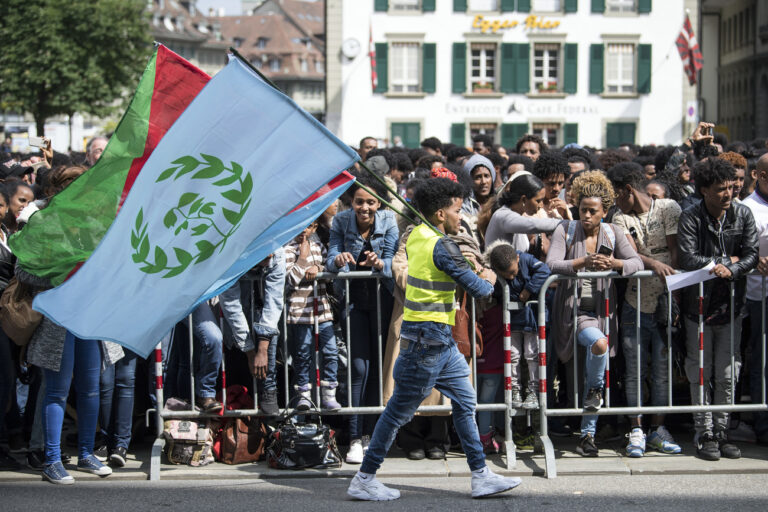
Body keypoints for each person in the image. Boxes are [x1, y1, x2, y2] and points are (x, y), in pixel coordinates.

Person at [346, 178, 521, 500]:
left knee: (465, 402)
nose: (461, 216)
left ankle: (480, 475)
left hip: (436, 339)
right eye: (457, 210)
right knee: (398, 412)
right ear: (440, 213)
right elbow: (482, 289)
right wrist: (492, 269)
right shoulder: (442, 245)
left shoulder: (416, 236)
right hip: (427, 341)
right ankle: (365, 477)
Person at [546, 171, 643, 457]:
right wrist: (582, 261)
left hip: (602, 313)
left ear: (605, 212)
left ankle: (587, 435)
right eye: (582, 209)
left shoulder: (612, 232)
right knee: (597, 350)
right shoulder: (565, 228)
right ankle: (591, 399)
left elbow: (636, 261)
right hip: (570, 312)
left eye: (592, 211)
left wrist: (614, 263)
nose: (585, 215)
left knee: (587, 378)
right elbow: (552, 263)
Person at [678, 158, 758, 461]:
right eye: (721, 189)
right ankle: (704, 432)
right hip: (697, 308)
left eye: (731, 188)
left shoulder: (743, 214)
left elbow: (750, 254)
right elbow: (687, 257)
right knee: (700, 372)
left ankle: (722, 431)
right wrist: (725, 263)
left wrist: (734, 268)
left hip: (732, 307)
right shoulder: (690, 217)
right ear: (704, 191)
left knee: (727, 373)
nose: (728, 194)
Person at [607, 162, 683, 457]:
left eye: (616, 194)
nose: (614, 201)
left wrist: (671, 279)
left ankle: (658, 430)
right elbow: (630, 253)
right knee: (634, 371)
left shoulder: (667, 207)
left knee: (662, 369)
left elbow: (675, 249)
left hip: (665, 302)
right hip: (633, 303)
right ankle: (636, 429)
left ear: (628, 189)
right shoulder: (619, 217)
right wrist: (655, 263)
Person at [327, 174, 398, 464]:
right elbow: (331, 254)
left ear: (379, 203)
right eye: (359, 201)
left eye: (371, 202)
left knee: (378, 370)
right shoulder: (341, 222)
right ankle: (355, 437)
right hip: (352, 301)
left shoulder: (389, 222)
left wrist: (382, 263)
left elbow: (395, 260)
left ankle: (371, 435)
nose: (365, 208)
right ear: (351, 202)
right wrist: (338, 260)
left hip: (383, 301)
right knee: (358, 368)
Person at [481, 240, 550, 416]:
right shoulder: (494, 272)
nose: (511, 278)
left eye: (513, 273)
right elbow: (495, 290)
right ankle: (515, 390)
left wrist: (528, 289)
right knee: (512, 356)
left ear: (517, 258)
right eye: (507, 276)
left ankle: (534, 391)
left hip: (532, 319)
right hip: (511, 321)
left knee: (532, 354)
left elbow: (545, 271)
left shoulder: (527, 260)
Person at [284, 220, 340, 411]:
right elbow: (291, 279)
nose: (303, 230)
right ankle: (303, 395)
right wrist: (303, 258)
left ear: (314, 227)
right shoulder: (288, 249)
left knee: (331, 350)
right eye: (299, 225)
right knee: (302, 354)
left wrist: (319, 270)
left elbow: (328, 270)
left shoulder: (317, 246)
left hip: (321, 310)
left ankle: (329, 394)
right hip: (299, 311)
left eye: (307, 226)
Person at [742, 153, 768, 446]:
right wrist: (755, 260)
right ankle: (762, 424)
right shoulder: (747, 209)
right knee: (762, 362)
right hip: (758, 296)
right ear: (759, 176)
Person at [482, 171, 560, 254]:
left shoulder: (518, 215)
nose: (541, 205)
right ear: (523, 199)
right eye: (538, 201)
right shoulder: (503, 216)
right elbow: (534, 225)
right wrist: (566, 224)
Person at [532, 151, 572, 220]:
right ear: (539, 181)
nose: (556, 188)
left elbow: (572, 230)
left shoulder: (563, 208)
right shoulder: (531, 209)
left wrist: (565, 216)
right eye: (551, 183)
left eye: (560, 183)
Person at [462, 153, 495, 218]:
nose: (483, 182)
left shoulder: (498, 202)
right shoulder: (464, 205)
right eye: (478, 177)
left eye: (486, 176)